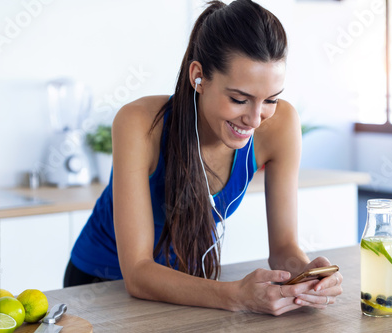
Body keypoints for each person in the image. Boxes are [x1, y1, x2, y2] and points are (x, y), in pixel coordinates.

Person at [64, 0, 343, 316]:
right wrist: (235, 295)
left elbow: (283, 249)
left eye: (271, 99)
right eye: (239, 99)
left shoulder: (280, 125)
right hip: (103, 287)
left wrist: (306, 274)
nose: (254, 118)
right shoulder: (138, 123)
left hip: (190, 287)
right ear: (198, 77)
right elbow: (138, 273)